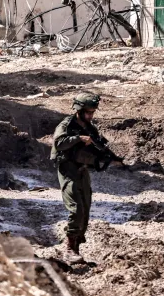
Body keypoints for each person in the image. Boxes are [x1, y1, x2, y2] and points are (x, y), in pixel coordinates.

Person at [51, 92, 109, 263]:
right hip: (68, 170)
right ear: (79, 110)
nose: (91, 115)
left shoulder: (90, 128)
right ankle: (69, 249)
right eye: (88, 112)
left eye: (92, 112)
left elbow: (98, 147)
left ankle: (76, 249)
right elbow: (58, 143)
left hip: (82, 171)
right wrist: (78, 138)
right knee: (76, 208)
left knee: (85, 209)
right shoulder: (66, 125)